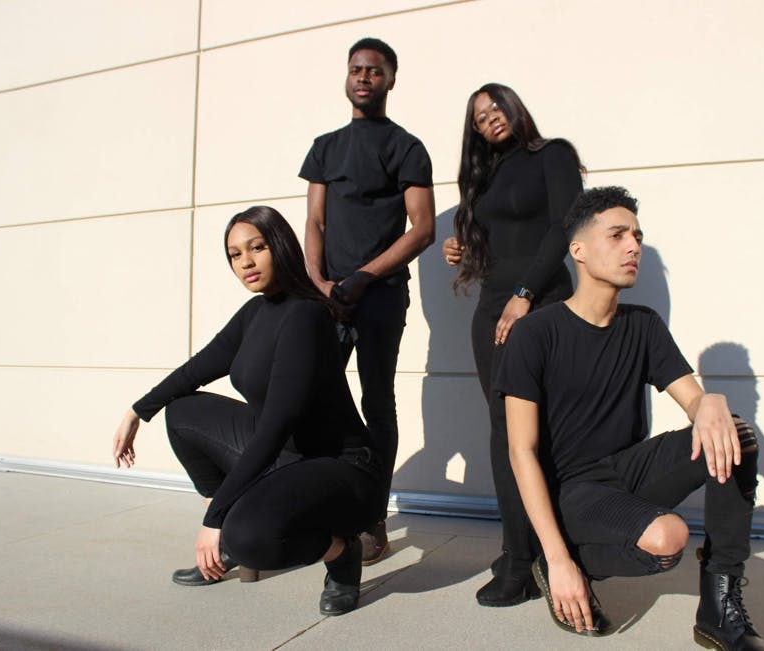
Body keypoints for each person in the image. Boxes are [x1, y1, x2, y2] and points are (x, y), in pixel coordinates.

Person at [496, 186, 764, 649]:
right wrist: (558, 557)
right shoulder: (536, 333)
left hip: (627, 471)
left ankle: (719, 610)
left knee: (736, 436)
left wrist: (709, 402)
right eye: (618, 235)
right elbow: (520, 451)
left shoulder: (643, 325)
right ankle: (562, 562)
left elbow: (693, 401)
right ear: (578, 250)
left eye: (638, 237)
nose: (633, 247)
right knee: (668, 538)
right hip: (571, 491)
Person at [111, 206, 383, 616]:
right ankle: (229, 539)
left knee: (248, 536)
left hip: (339, 467)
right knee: (181, 412)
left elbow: (276, 425)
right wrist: (137, 411)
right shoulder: (255, 313)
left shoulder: (306, 316)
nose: (246, 262)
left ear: (281, 246)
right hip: (286, 457)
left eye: (257, 248)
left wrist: (215, 519)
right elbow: (197, 369)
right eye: (235, 254)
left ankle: (341, 554)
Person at [441, 82, 583, 606]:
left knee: (547, 429)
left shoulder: (553, 155)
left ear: (514, 106)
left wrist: (525, 295)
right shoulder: (486, 175)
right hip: (492, 311)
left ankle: (549, 550)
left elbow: (564, 227)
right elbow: (495, 240)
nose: (489, 119)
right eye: (479, 117)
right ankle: (519, 553)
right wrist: (461, 247)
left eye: (495, 107)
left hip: (540, 304)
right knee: (506, 433)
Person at [299, 37, 436, 565]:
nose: (363, 77)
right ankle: (315, 504)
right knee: (310, 398)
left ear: (391, 80)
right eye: (356, 69)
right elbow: (315, 221)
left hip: (380, 297)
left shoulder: (407, 147)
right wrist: (316, 281)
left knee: (377, 402)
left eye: (374, 71)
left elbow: (422, 229)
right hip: (327, 296)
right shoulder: (325, 147)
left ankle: (371, 518)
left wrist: (363, 277)